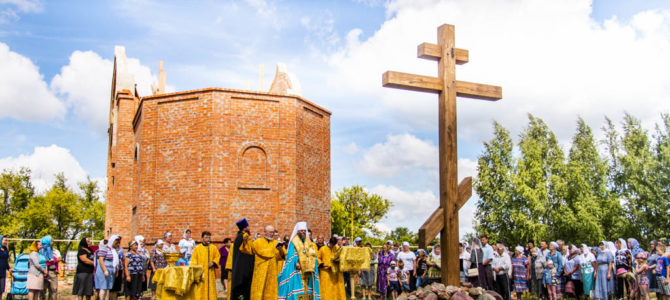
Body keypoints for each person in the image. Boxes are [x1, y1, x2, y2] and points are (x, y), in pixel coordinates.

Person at [277, 222, 321, 300]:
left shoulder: (309, 241)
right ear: (298, 231)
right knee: (297, 292)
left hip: (308, 270)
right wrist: (297, 262)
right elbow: (290, 256)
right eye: (301, 230)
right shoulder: (294, 242)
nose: (303, 232)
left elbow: (313, 253)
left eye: (304, 230)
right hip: (297, 271)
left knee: (309, 291)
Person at [240, 225, 285, 300]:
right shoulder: (257, 242)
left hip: (272, 271)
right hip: (260, 270)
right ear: (265, 232)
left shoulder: (276, 243)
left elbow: (281, 257)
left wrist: (280, 250)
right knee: (258, 290)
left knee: (271, 290)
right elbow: (247, 249)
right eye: (270, 232)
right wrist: (245, 241)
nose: (272, 234)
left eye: (273, 232)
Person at [229, 218, 255, 300]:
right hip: (242, 268)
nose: (249, 228)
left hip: (243, 266)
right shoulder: (243, 237)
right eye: (248, 226)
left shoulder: (241, 236)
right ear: (245, 228)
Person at [191, 231, 220, 300]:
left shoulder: (213, 248)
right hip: (201, 273)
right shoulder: (197, 248)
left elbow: (217, 256)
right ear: (202, 238)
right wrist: (195, 272)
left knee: (211, 289)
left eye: (209, 237)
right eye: (206, 237)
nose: (208, 239)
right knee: (200, 290)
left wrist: (213, 262)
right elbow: (194, 261)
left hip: (210, 273)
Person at [318, 236, 345, 300]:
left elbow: (341, 256)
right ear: (329, 242)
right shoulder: (322, 249)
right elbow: (318, 258)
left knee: (334, 287)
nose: (332, 246)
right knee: (325, 287)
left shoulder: (337, 248)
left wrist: (338, 260)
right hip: (325, 271)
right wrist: (322, 264)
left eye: (333, 245)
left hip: (334, 271)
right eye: (331, 244)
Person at [95, 235, 120, 300]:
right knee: (103, 287)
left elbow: (115, 261)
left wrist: (116, 270)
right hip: (104, 270)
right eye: (116, 243)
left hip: (111, 270)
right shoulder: (104, 248)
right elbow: (101, 260)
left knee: (108, 288)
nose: (117, 244)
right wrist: (105, 270)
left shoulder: (113, 250)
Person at [39, 235, 58, 300]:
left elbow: (58, 259)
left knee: (53, 289)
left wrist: (54, 260)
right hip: (43, 271)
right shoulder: (41, 250)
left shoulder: (55, 250)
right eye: (52, 241)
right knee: (43, 289)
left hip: (52, 271)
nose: (53, 242)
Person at [0, 235, 10, 300]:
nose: (6, 242)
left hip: (2, 272)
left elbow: (6, 261)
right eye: (5, 240)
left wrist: (9, 268)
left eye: (7, 240)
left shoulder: (5, 249)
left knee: (1, 290)